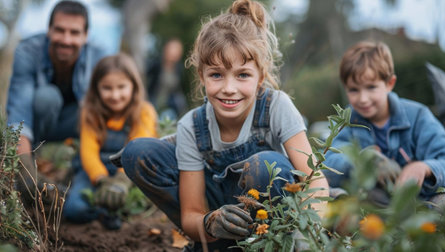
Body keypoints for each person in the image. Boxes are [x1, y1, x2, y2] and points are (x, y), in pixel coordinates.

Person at [120, 0, 329, 250]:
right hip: (219, 220)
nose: (229, 89)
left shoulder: (277, 106)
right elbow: (192, 213)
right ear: (202, 76)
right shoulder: (192, 126)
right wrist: (210, 223)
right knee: (138, 152)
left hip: (274, 220)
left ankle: (267, 245)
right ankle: (217, 244)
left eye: (242, 75)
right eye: (216, 75)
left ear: (260, 76)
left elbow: (315, 182)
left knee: (265, 165)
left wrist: (304, 237)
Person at [323, 41, 445, 207]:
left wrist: (425, 168)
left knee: (439, 202)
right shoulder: (346, 121)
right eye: (354, 90)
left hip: (415, 202)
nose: (363, 98)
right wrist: (361, 160)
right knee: (341, 197)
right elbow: (327, 161)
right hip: (369, 201)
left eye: (371, 87)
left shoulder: (418, 116)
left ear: (389, 84)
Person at [6, 0, 107, 198]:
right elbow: (18, 114)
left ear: (85, 36)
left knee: (95, 110)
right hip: (38, 123)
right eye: (59, 30)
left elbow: (104, 116)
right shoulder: (27, 50)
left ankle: (79, 173)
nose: (66, 40)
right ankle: (31, 166)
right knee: (47, 97)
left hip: (77, 125)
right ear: (49, 30)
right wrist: (27, 172)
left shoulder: (99, 57)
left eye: (75, 33)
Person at [63, 53, 158, 230]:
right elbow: (88, 153)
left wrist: (121, 181)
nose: (115, 95)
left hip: (130, 173)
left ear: (134, 86)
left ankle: (111, 213)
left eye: (121, 87)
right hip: (93, 171)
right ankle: (99, 210)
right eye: (107, 88)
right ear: (96, 88)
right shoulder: (90, 112)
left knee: (131, 207)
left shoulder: (144, 112)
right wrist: (101, 180)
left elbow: (137, 151)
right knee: (74, 210)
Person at [146, 38, 187, 120]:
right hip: (153, 99)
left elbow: (177, 89)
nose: (173, 53)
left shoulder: (178, 68)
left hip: (169, 103)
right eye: (172, 49)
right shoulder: (156, 64)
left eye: (177, 50)